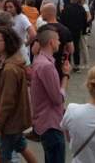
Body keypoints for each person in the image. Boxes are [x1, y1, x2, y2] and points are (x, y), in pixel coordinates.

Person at [0, 26, 37, 163]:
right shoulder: (4, 61)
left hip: (10, 122)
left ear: (8, 43)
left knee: (3, 157)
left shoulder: (9, 69)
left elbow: (7, 100)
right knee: (21, 146)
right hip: (15, 120)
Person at [30, 29, 70, 163]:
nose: (59, 42)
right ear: (51, 42)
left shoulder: (39, 61)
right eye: (58, 39)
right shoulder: (47, 66)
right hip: (50, 123)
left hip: (44, 121)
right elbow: (57, 98)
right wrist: (66, 76)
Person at [60, 0, 88, 72]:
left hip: (66, 30)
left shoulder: (66, 7)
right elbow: (84, 22)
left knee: (66, 47)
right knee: (76, 48)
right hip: (76, 31)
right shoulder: (81, 9)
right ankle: (76, 65)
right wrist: (83, 31)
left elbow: (62, 19)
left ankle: (67, 63)